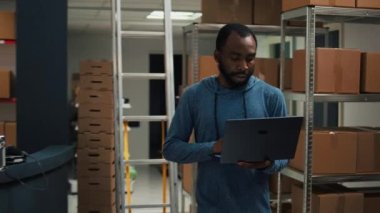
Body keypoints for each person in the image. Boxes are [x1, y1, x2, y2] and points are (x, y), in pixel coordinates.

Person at [163, 23, 288, 213]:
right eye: (235, 58)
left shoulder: (271, 96)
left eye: (250, 58)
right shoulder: (195, 95)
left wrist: (267, 163)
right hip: (210, 208)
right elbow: (171, 149)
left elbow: (283, 156)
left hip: (256, 208)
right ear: (217, 56)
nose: (244, 66)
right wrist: (214, 147)